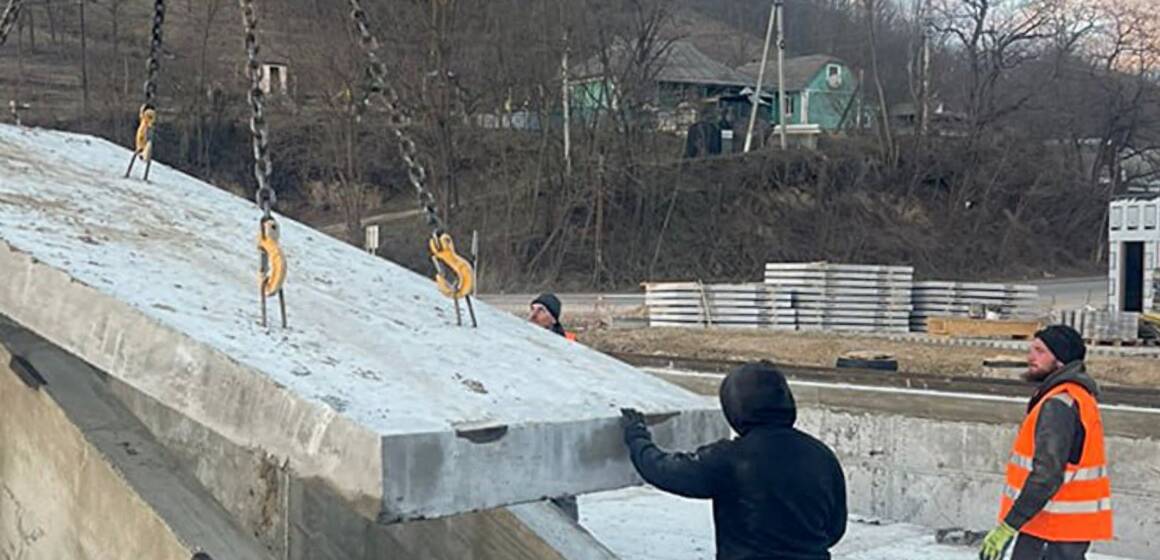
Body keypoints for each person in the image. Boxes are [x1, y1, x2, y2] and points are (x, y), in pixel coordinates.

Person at [620, 361, 847, 560]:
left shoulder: (730, 458)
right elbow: (835, 529)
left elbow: (663, 470)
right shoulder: (821, 455)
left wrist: (637, 436)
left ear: (735, 408)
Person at [979, 325, 1113, 560]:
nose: (1030, 357)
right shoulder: (1074, 396)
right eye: (1031, 349)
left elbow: (1047, 475)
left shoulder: (1059, 403)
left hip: (1052, 527)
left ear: (1060, 360)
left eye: (1040, 351)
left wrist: (1009, 525)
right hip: (1053, 526)